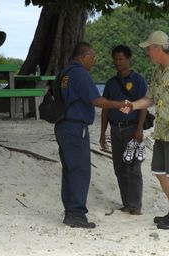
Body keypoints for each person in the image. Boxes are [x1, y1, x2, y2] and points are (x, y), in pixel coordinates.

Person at [121, 30, 169, 229]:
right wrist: (132, 106)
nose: (147, 53)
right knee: (161, 172)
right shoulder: (157, 72)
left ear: (158, 48)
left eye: (148, 49)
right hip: (161, 132)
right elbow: (150, 98)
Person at [54, 42, 126, 228]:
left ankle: (70, 211)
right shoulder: (80, 74)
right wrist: (119, 104)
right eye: (92, 58)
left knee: (69, 170)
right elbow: (96, 100)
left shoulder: (65, 73)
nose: (93, 62)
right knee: (80, 170)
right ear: (83, 56)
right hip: (76, 127)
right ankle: (77, 214)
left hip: (63, 126)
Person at [99, 45, 147, 215]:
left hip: (132, 128)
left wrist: (140, 129)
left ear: (128, 59)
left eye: (121, 59)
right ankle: (126, 203)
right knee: (119, 167)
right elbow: (105, 109)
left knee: (133, 167)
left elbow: (143, 107)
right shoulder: (111, 83)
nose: (118, 62)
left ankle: (135, 205)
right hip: (115, 129)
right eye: (115, 59)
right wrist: (103, 133)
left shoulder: (139, 80)